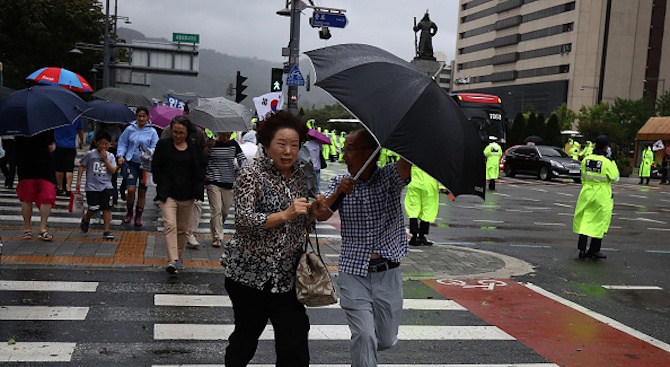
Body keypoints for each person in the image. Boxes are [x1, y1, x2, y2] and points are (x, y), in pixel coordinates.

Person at [312, 128, 412, 367]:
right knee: (364, 334)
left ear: (369, 153)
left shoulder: (389, 178)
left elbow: (405, 164)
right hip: (353, 272)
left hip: (387, 274)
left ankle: (364, 353)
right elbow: (321, 214)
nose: (344, 155)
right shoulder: (340, 182)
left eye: (349, 150)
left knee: (385, 339)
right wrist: (339, 192)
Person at [223, 111, 311, 366]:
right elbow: (244, 223)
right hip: (250, 277)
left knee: (295, 341)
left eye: (294, 145)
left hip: (286, 277)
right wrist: (285, 214)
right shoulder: (252, 174)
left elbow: (300, 219)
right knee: (246, 338)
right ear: (267, 146)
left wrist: (313, 211)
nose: (288, 151)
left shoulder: (299, 176)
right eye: (281, 144)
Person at [152, 116, 206, 274]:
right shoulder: (163, 145)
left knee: (183, 229)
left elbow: (200, 167)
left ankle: (179, 258)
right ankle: (172, 260)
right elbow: (156, 165)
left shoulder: (194, 147)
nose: (178, 136)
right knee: (170, 226)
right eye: (175, 132)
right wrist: (159, 182)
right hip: (168, 193)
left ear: (187, 133)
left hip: (188, 194)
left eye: (181, 133)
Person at [161, 104, 207, 248]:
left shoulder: (199, 134)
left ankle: (189, 233)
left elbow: (203, 153)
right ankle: (174, 234)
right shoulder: (169, 131)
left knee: (196, 205)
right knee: (172, 210)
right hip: (172, 178)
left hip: (192, 178)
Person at [573, 135, 619, 259]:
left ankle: (582, 249)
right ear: (605, 147)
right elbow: (615, 178)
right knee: (599, 221)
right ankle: (594, 250)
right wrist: (612, 161)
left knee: (584, 220)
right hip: (601, 194)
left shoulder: (586, 159)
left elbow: (582, 176)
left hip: (587, 191)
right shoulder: (606, 162)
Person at [116, 107, 159, 227]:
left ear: (147, 117)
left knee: (142, 192)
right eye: (139, 116)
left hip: (145, 165)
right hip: (131, 162)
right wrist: (120, 155)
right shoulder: (130, 129)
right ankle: (129, 212)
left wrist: (149, 152)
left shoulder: (152, 132)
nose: (141, 119)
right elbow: (123, 143)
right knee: (131, 189)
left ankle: (138, 216)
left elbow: (155, 146)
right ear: (136, 117)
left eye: (143, 116)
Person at [204, 131, 246, 248]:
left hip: (229, 181)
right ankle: (217, 237)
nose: (226, 138)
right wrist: (208, 147)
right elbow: (202, 157)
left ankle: (216, 227)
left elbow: (242, 159)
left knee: (225, 211)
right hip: (213, 180)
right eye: (224, 135)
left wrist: (244, 171)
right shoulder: (211, 143)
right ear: (219, 133)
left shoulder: (234, 144)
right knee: (216, 209)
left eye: (229, 135)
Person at [15, 130, 57, 241]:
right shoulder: (20, 127)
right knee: (27, 197)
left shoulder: (46, 125)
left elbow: (52, 141)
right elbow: (17, 146)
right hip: (27, 166)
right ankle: (27, 229)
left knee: (48, 196)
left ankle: (42, 228)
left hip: (46, 165)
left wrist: (53, 146)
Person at [75, 131, 117, 240]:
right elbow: (81, 166)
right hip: (92, 186)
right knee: (93, 207)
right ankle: (86, 219)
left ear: (109, 144)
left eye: (106, 144)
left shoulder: (111, 156)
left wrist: (105, 160)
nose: (103, 146)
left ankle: (107, 230)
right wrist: (79, 181)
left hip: (106, 186)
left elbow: (113, 170)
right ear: (96, 143)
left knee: (106, 208)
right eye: (101, 143)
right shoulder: (90, 154)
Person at [405, 166, 439, 246]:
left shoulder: (413, 154)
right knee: (427, 210)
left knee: (413, 210)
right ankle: (422, 236)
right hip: (429, 184)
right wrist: (442, 187)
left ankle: (414, 237)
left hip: (414, 183)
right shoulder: (436, 156)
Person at [53, 118, 84, 196]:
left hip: (58, 145)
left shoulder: (55, 117)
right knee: (69, 168)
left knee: (58, 168)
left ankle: (60, 187)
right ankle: (68, 188)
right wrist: (81, 141)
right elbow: (80, 131)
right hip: (70, 146)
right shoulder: (76, 118)